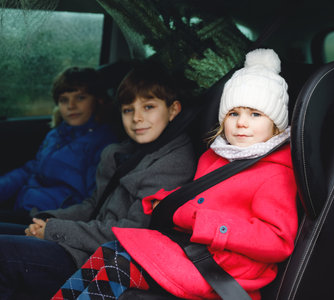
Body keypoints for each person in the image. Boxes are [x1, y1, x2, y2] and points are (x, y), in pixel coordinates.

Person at [53, 48, 299, 300]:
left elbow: (277, 241)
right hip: (195, 252)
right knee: (110, 252)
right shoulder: (215, 157)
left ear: (276, 124)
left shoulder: (276, 174)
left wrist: (205, 222)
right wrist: (166, 199)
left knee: (118, 266)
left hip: (225, 270)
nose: (242, 123)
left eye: (255, 114)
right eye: (233, 113)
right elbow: (197, 201)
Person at [0, 63, 197, 300]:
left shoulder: (172, 163)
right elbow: (93, 204)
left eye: (149, 107)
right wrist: (49, 219)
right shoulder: (128, 151)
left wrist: (55, 230)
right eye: (127, 110)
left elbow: (133, 234)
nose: (137, 118)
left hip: (94, 260)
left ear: (173, 110)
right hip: (84, 241)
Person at [0, 67, 118, 225]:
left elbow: (93, 200)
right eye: (64, 100)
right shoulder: (55, 135)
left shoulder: (104, 143)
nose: (71, 105)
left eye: (80, 97)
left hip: (50, 219)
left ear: (99, 100)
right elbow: (31, 169)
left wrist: (52, 222)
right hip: (25, 206)